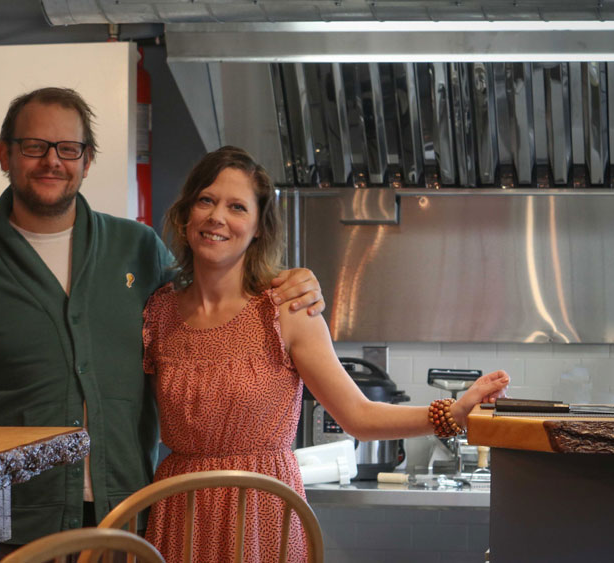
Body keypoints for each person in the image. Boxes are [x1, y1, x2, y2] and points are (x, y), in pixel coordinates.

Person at [0, 88, 326, 552]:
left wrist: (286, 280)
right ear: (5, 154)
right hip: (8, 530)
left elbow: (215, 297)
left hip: (127, 524)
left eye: (68, 149)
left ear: (87, 161)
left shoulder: (137, 249)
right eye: (34, 146)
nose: (52, 161)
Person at [141, 146, 510, 561]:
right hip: (180, 513)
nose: (217, 217)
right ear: (186, 214)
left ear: (259, 227)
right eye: (206, 200)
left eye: (237, 207)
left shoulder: (285, 310)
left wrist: (451, 414)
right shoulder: (158, 312)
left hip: (263, 513)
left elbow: (359, 416)